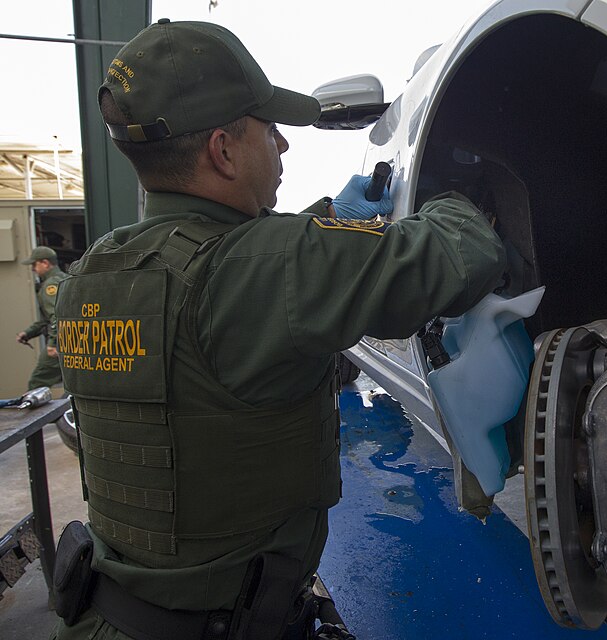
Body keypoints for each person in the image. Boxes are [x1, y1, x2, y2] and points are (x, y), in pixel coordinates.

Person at [50, 19, 505, 640]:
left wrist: (331, 221)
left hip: (111, 618)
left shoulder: (94, 274)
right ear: (223, 149)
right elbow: (463, 254)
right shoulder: (260, 271)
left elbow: (246, 279)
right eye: (270, 130)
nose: (284, 147)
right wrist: (456, 192)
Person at [16, 246, 66, 390]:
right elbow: (47, 319)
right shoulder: (64, 278)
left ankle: (34, 411)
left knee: (37, 383)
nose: (33, 269)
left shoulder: (51, 285)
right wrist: (29, 332)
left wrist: (52, 343)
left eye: (34, 264)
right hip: (71, 338)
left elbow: (57, 315)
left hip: (62, 341)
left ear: (45, 263)